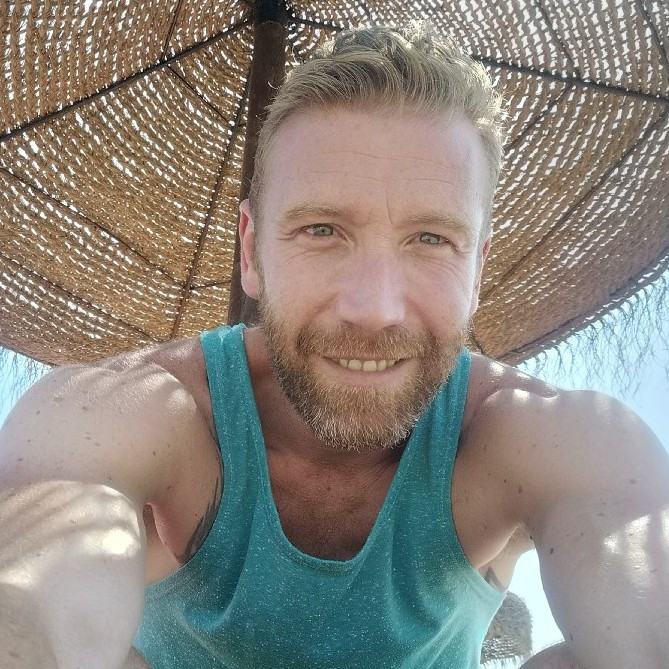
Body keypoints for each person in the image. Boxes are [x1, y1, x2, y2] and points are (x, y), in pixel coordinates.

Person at [0, 24, 667, 669]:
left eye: (431, 239)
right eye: (321, 230)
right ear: (251, 252)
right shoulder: (131, 414)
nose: (373, 308)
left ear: (475, 272)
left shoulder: (544, 438)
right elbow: (30, 604)